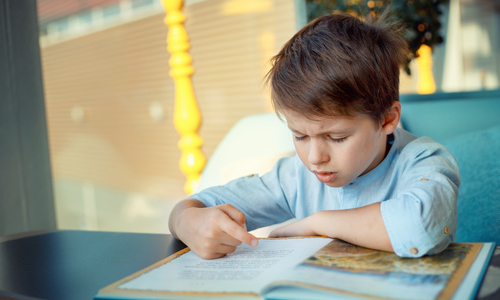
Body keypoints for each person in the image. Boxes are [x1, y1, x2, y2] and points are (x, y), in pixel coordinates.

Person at [168, 12, 460, 260]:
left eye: (337, 137)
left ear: (387, 119)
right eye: (300, 136)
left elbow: (422, 226)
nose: (314, 157)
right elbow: (197, 204)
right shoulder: (296, 178)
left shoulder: (424, 161)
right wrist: (187, 221)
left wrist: (318, 223)